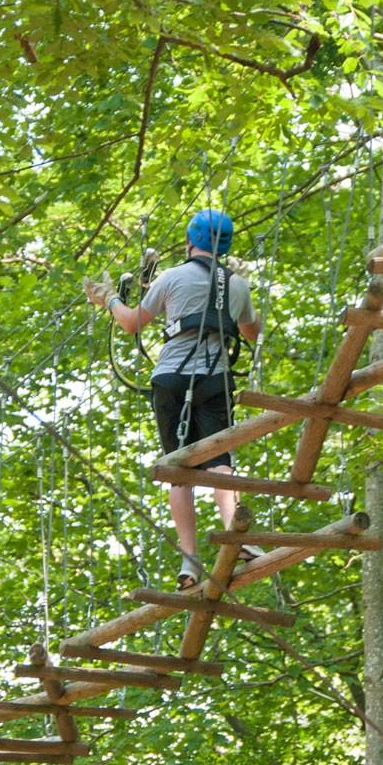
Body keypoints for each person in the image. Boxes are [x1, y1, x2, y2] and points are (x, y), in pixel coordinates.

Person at [86, 209, 262, 590]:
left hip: (170, 380)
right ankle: (239, 535)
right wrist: (231, 296)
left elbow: (133, 322)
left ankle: (190, 561)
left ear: (190, 241)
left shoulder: (172, 277)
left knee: (179, 471)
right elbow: (252, 332)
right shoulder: (238, 285)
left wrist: (111, 299)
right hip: (215, 379)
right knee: (221, 465)